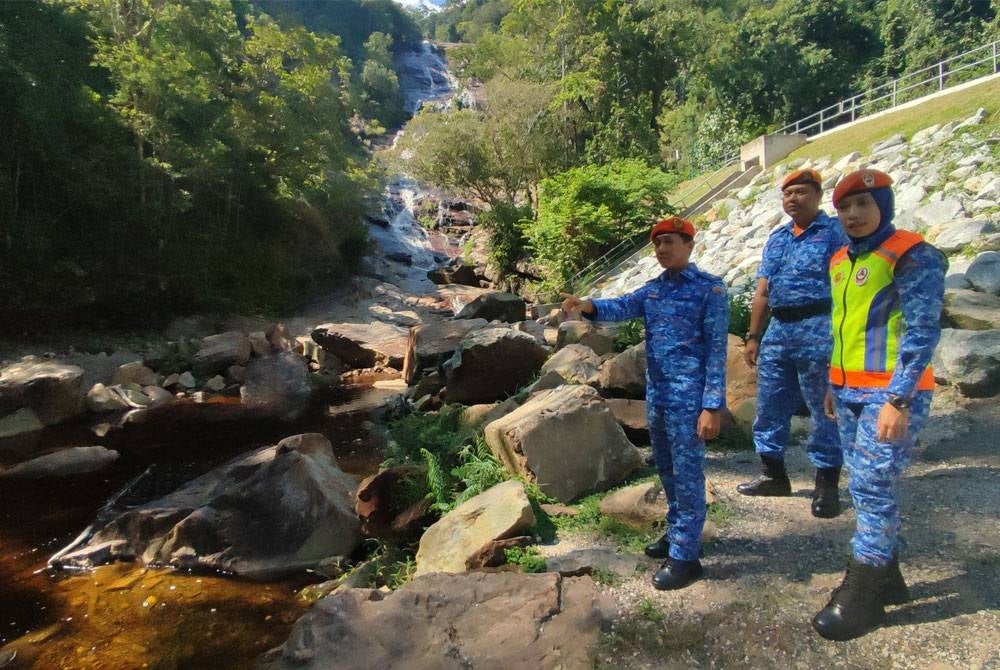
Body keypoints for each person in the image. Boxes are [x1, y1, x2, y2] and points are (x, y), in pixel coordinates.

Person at [812, 169, 946, 641]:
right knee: (867, 485)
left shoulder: (912, 253)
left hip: (891, 396)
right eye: (844, 207)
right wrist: (834, 380)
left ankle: (864, 594)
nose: (852, 215)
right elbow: (843, 328)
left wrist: (899, 397)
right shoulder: (840, 260)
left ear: (884, 205)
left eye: (863, 205)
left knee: (870, 487)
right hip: (847, 392)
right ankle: (888, 577)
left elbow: (923, 330)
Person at [561, 216, 728, 590]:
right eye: (657, 244)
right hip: (658, 397)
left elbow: (717, 351)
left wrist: (712, 406)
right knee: (668, 471)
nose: (662, 249)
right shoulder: (654, 290)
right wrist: (587, 306)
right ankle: (677, 533)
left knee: (687, 477)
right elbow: (620, 306)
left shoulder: (709, 291)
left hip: (689, 401)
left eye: (670, 242)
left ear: (688, 244)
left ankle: (687, 558)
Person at [738, 168, 847, 518]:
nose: (793, 199)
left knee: (823, 408)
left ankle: (826, 484)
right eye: (788, 194)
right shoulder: (778, 238)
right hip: (779, 331)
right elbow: (763, 291)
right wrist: (754, 335)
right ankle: (773, 475)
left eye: (801, 192)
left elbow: (846, 287)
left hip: (819, 327)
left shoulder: (834, 234)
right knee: (769, 403)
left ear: (817, 195)